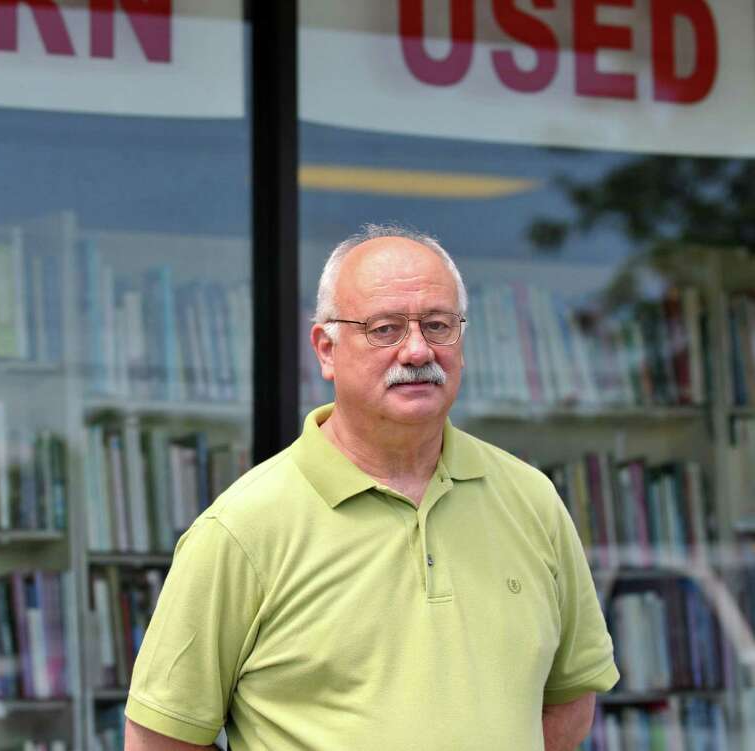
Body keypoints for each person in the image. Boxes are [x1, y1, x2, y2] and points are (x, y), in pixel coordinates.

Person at [124, 224, 619, 750]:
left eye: (437, 325)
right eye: (384, 329)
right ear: (326, 350)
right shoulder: (243, 529)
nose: (416, 351)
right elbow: (161, 740)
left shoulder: (531, 499)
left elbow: (569, 695)